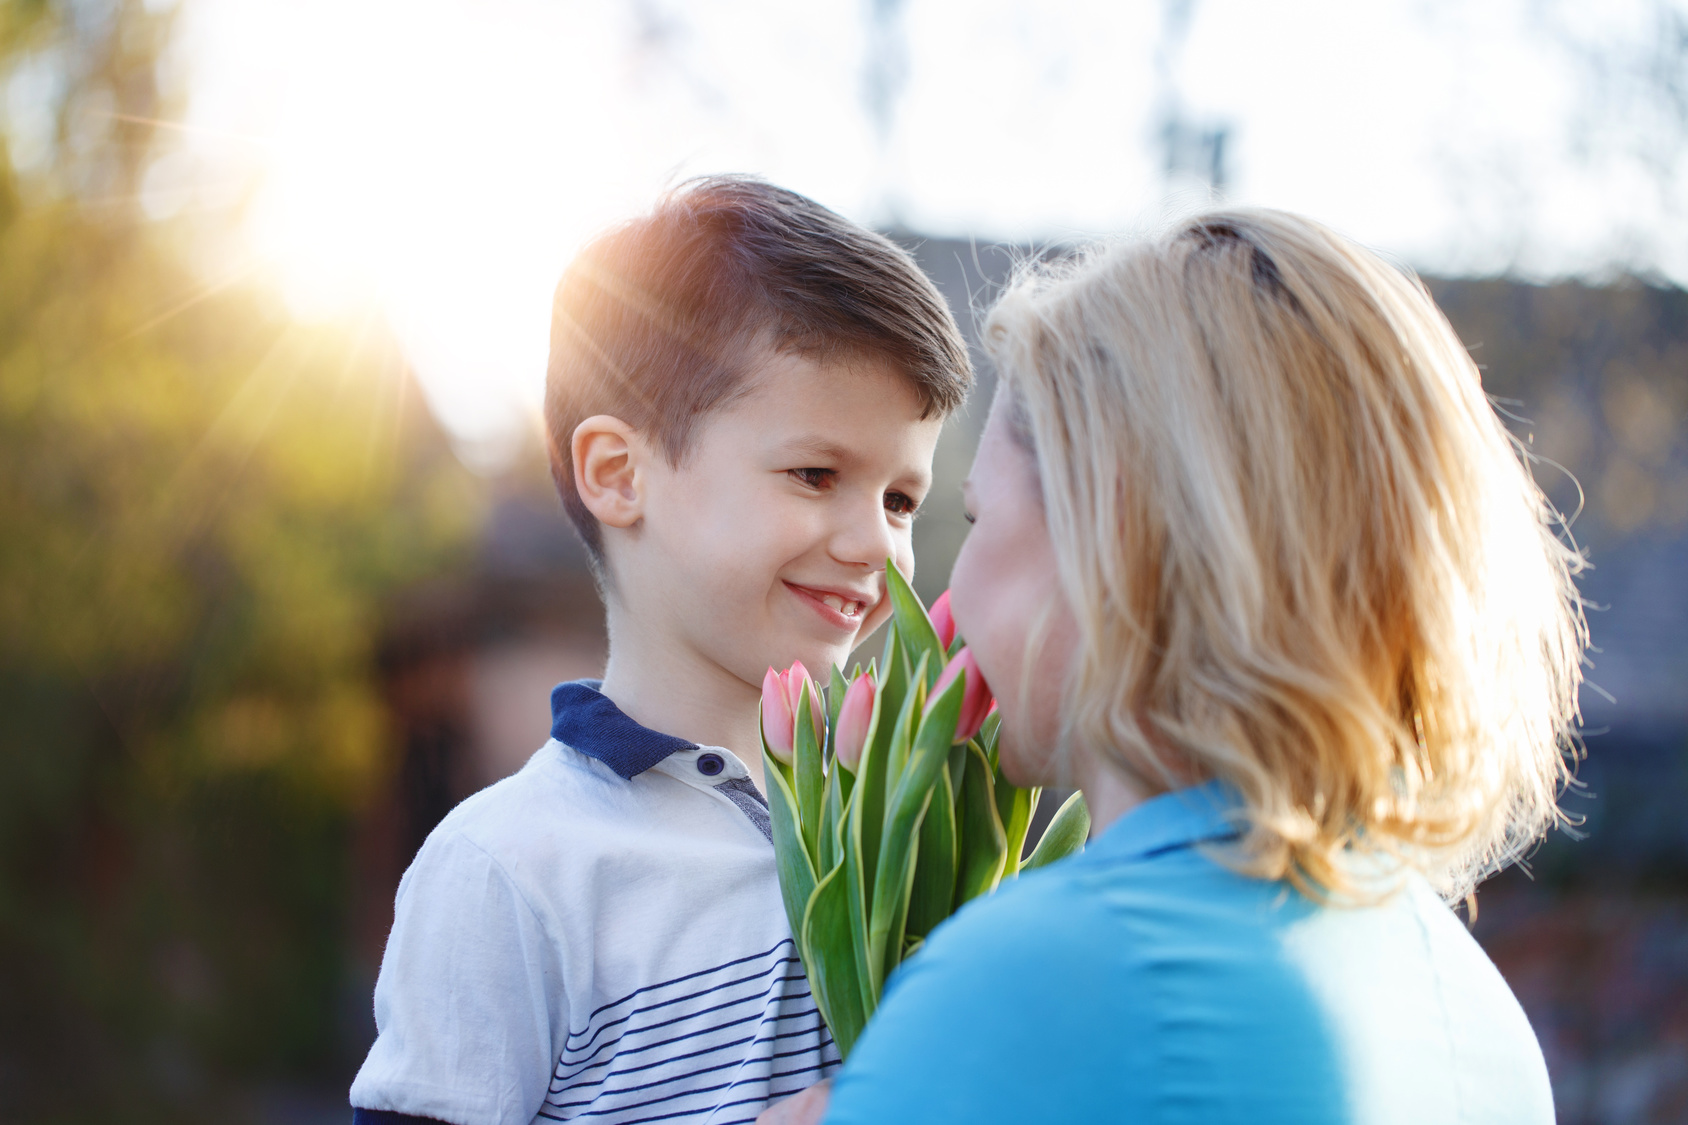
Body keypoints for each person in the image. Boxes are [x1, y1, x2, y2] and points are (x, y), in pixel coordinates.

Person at [764, 209, 1584, 1124]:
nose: (951, 583)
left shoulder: (1022, 989)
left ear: (1107, 536)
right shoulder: (1476, 1011)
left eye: (978, 515)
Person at [349, 176, 972, 1125]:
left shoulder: (903, 823)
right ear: (619, 473)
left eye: (900, 500)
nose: (876, 546)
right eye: (816, 473)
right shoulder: (511, 870)